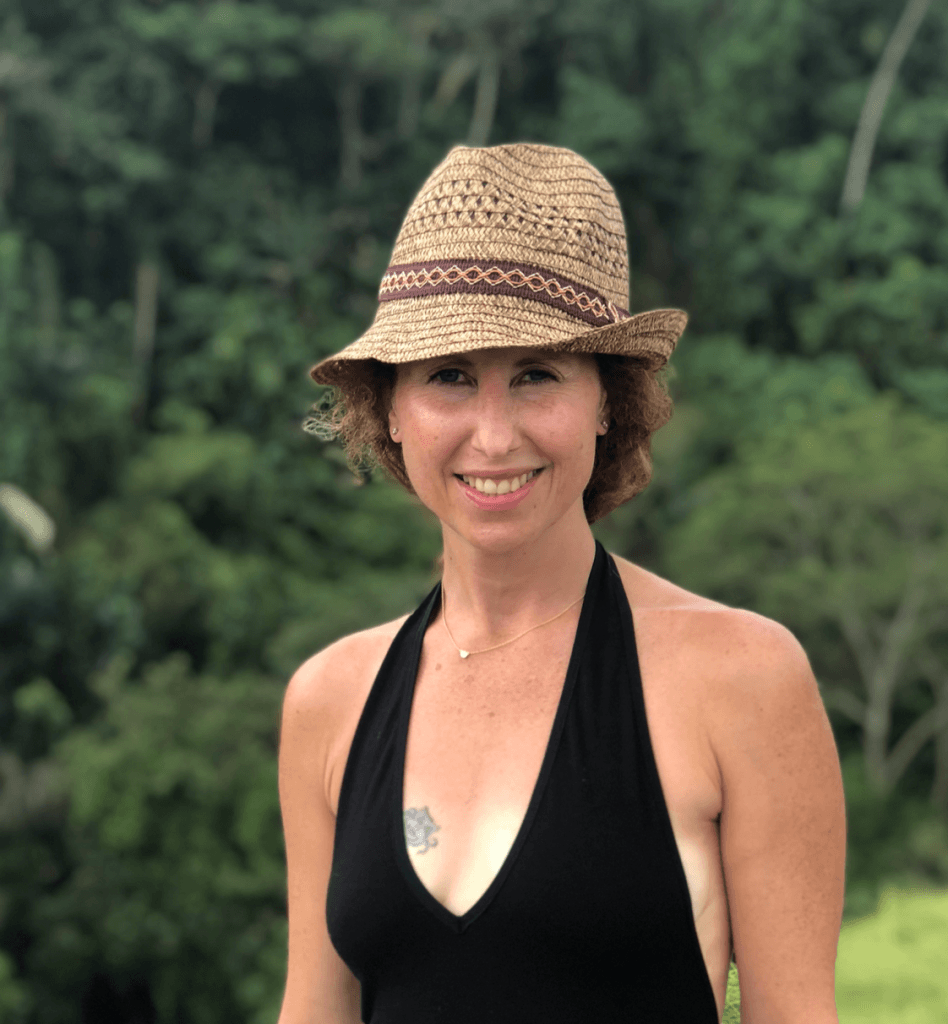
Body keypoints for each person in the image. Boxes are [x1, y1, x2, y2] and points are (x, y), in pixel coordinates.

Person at [277, 143, 846, 1024]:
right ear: (389, 407)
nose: (494, 437)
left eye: (537, 375)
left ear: (608, 399)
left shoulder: (740, 677)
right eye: (450, 378)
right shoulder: (330, 701)